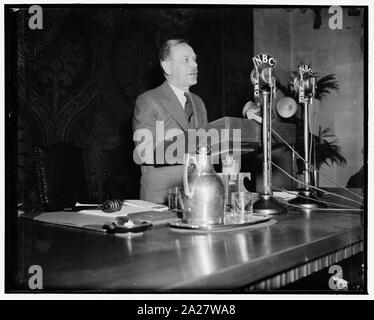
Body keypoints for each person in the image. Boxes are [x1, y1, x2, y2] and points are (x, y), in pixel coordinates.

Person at [132, 39, 208, 204]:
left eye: (195, 59)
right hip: (160, 198)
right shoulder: (148, 100)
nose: (195, 65)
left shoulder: (199, 103)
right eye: (186, 60)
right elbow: (145, 151)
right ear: (167, 67)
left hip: (196, 197)